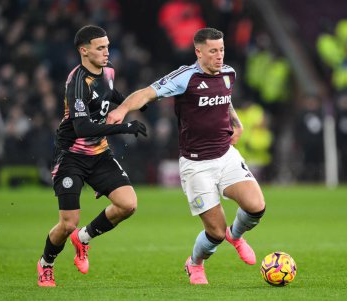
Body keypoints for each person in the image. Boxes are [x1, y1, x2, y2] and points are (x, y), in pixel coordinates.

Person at [107, 27, 266, 285]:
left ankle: (235, 236)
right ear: (199, 52)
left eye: (222, 49)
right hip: (196, 165)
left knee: (256, 206)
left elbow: (225, 100)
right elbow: (147, 93)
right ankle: (195, 264)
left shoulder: (229, 73)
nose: (219, 56)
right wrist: (123, 109)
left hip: (225, 156)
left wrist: (237, 124)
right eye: (213, 51)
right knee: (214, 232)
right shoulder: (185, 77)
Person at [37, 25, 147, 287]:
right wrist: (124, 127)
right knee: (67, 223)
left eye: (108, 46)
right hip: (71, 157)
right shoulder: (77, 83)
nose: (107, 51)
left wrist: (140, 101)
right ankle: (46, 264)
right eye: (100, 47)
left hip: (99, 154)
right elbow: (82, 128)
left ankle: (83, 238)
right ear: (83, 51)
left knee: (128, 204)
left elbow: (113, 97)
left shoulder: (108, 72)